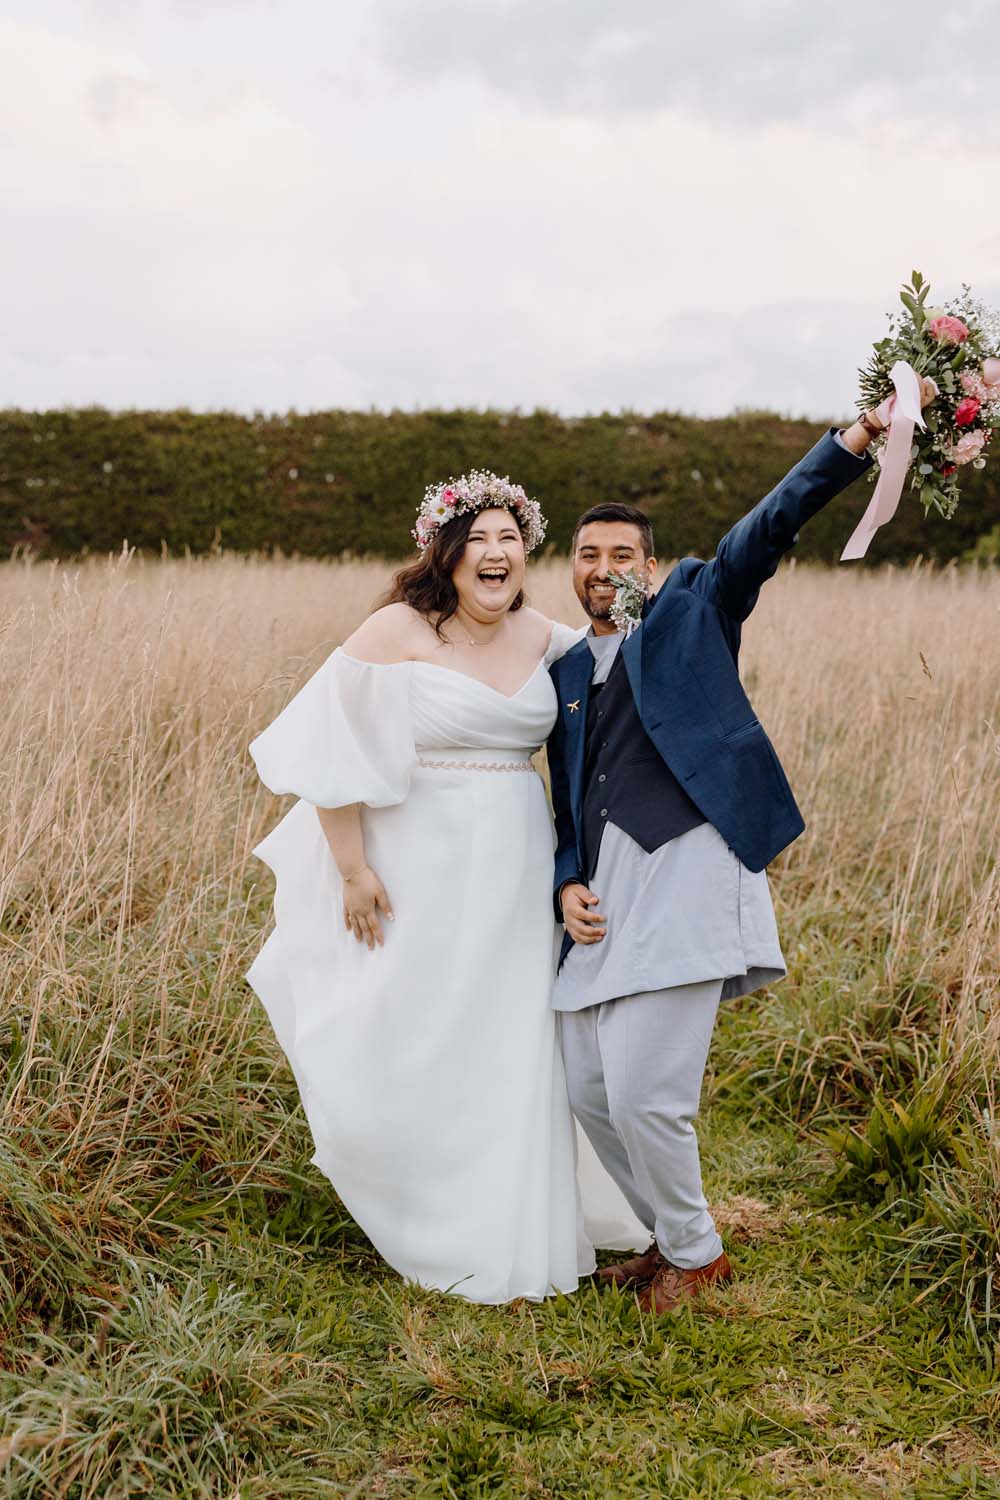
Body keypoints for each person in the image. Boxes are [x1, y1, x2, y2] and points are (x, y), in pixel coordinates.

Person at [547, 389, 936, 1315]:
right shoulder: (561, 669)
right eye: (589, 555)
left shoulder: (693, 606)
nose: (605, 569)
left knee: (648, 1090)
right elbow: (563, 793)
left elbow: (768, 527)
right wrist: (565, 878)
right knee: (587, 1080)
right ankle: (662, 1241)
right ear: (571, 568)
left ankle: (698, 1256)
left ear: (648, 562)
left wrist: (852, 442)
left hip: (687, 865)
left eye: (622, 555)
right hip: (605, 893)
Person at [246, 470, 645, 1305]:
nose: (496, 553)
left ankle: (503, 1221)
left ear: (525, 553)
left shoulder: (549, 640)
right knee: (414, 1017)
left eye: (511, 538)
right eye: (481, 539)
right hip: (411, 860)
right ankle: (416, 1199)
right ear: (448, 551)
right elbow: (331, 748)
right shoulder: (399, 629)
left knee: (509, 1032)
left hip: (514, 861)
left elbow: (622, 702)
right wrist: (353, 870)